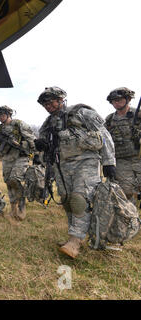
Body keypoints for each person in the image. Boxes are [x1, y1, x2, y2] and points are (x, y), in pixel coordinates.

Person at [35, 86, 116, 259]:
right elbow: (43, 142)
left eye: (51, 101)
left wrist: (109, 162)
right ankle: (74, 235)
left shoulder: (81, 112)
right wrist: (41, 148)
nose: (48, 106)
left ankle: (75, 241)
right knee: (66, 200)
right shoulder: (48, 123)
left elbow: (104, 134)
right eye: (45, 104)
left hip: (85, 161)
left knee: (80, 199)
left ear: (61, 99)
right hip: (61, 165)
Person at [0, 105, 37, 221]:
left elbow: (32, 139)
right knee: (8, 182)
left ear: (9, 114)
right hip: (7, 158)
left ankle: (22, 206)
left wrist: (32, 151)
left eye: (2, 115)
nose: (1, 118)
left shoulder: (18, 124)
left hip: (20, 157)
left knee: (15, 179)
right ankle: (13, 210)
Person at [104, 87, 141, 204]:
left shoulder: (138, 116)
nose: (116, 103)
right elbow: (104, 141)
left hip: (139, 158)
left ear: (128, 99)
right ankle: (131, 220)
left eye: (119, 100)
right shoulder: (109, 120)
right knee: (126, 194)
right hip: (121, 162)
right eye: (113, 101)